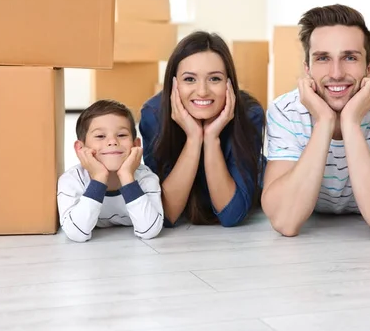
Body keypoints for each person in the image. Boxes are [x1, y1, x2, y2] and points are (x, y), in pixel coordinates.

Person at [262, 4, 370, 242]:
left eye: (349, 57)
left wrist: (350, 122)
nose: (336, 73)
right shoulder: (285, 111)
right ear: (307, 69)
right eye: (322, 58)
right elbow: (285, 221)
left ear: (369, 67)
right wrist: (325, 121)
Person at [139, 31, 266, 227]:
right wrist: (194, 138)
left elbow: (232, 215)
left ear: (228, 83)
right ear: (174, 84)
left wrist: (212, 137)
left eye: (214, 79)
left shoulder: (249, 114)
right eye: (190, 79)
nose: (202, 91)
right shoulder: (154, 115)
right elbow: (165, 215)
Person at [57, 99, 164, 242]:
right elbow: (77, 233)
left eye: (121, 135)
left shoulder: (146, 178)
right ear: (81, 148)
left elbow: (150, 230)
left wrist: (127, 176)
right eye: (100, 136)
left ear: (136, 144)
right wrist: (99, 178)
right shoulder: (72, 180)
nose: (112, 141)